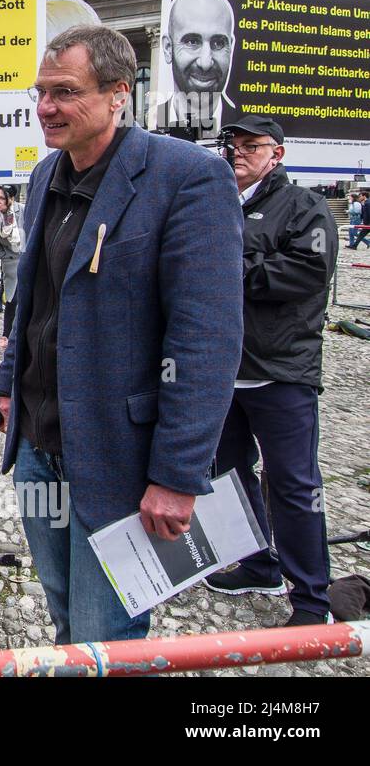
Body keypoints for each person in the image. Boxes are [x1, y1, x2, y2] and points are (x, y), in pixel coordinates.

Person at [0, 24, 243, 645]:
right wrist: (6, 385)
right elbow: (35, 298)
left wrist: (179, 475)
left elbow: (205, 340)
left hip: (120, 460)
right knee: (67, 617)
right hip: (40, 449)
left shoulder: (188, 178)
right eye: (41, 92)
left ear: (117, 94)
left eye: (66, 92)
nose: (47, 107)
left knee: (108, 632)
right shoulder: (47, 173)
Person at [206, 116, 337, 627]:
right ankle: (258, 563)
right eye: (231, 144)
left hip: (281, 370)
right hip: (222, 369)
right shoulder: (214, 202)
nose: (237, 152)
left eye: (250, 145)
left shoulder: (305, 205)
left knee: (293, 485)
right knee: (228, 477)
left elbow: (307, 271)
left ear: (276, 154)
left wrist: (231, 270)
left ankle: (311, 602)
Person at [157, 0, 235, 143]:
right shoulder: (147, 127)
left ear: (231, 48)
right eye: (192, 42)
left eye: (218, 43)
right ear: (167, 48)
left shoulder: (244, 127)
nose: (205, 63)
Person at [0, 185, 23, 355]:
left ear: (11, 199)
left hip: (26, 258)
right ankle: (6, 337)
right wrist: (3, 256)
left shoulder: (22, 211)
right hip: (10, 263)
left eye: (1, 198)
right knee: (11, 300)